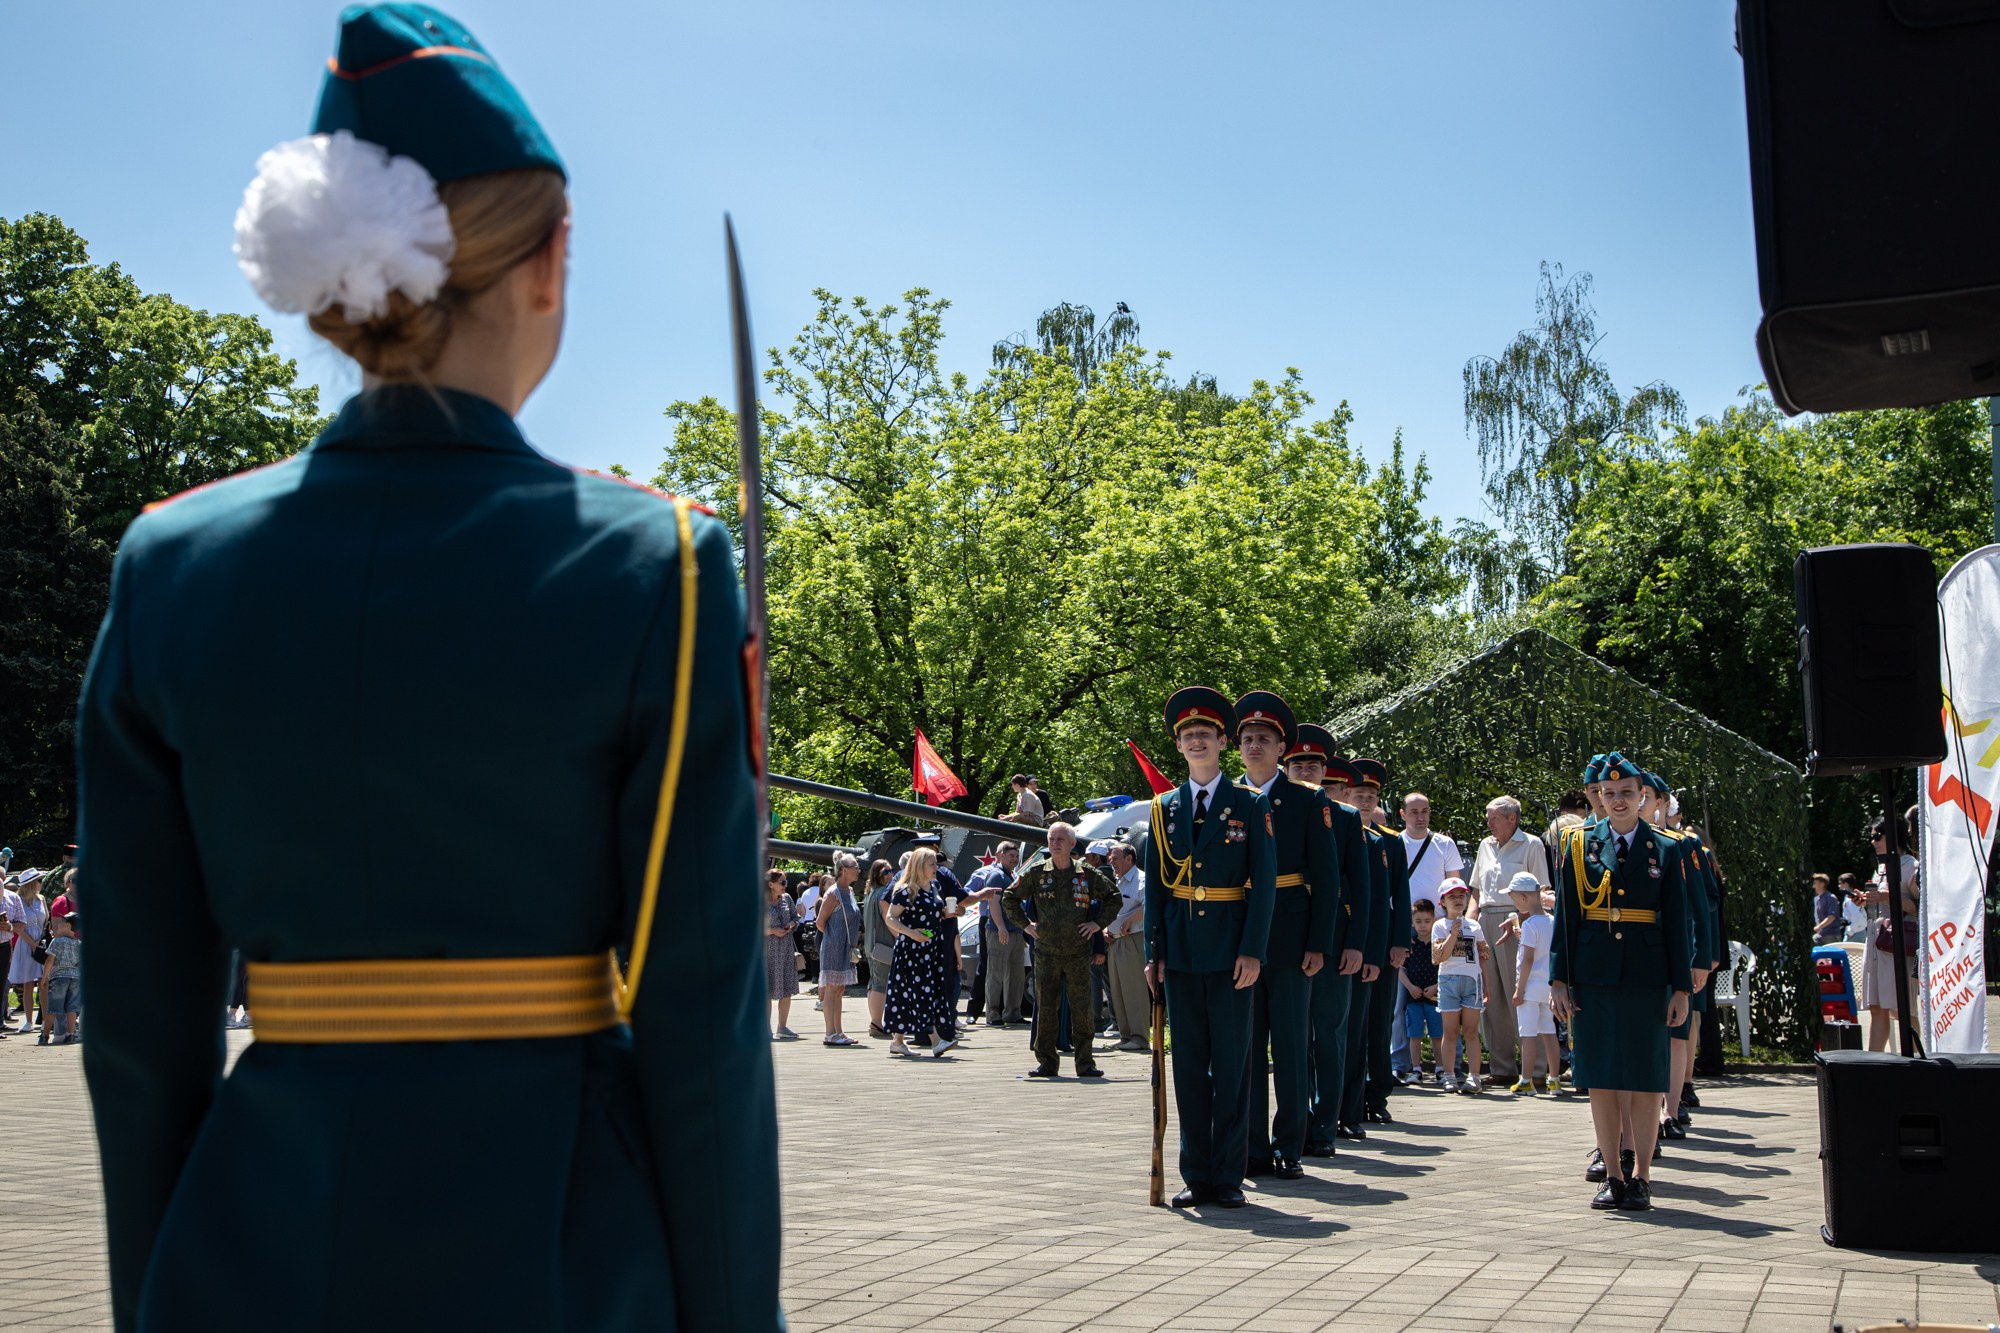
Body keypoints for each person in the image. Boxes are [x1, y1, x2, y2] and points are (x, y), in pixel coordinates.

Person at [75, 10, 781, 1328]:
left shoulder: (170, 566)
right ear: (551, 259)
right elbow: (704, 1023)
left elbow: (135, 1034)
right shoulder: (657, 567)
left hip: (251, 1251)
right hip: (561, 1257)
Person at [1142, 687, 1276, 1208]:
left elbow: (1262, 885)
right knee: (1188, 1066)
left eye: (1206, 734)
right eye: (1187, 735)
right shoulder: (1162, 809)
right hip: (1179, 953)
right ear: (1179, 747)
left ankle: (1228, 1175)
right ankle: (1196, 1174)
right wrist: (1155, 953)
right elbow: (1156, 888)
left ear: (1223, 742)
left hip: (1230, 952)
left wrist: (1253, 950)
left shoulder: (1250, 804)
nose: (1196, 741)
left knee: (1234, 1063)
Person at [1551, 754, 1692, 1213]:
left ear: (1643, 796)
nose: (1617, 800)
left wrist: (1681, 988)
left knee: (1648, 1079)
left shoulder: (1667, 849)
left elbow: (1677, 922)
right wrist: (1558, 979)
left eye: (1627, 793)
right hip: (1593, 977)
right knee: (1602, 1079)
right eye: (1608, 793)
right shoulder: (1576, 845)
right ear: (1598, 796)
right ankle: (1612, 1174)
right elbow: (1567, 920)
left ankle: (1643, 1177)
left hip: (1647, 979)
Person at [1232, 692, 1337, 1180]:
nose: (1255, 746)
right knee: (1245, 1047)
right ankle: (1251, 1146)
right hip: (1239, 938)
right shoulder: (1227, 797)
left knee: (1292, 1047)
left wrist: (1319, 942)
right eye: (1248, 739)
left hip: (1292, 936)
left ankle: (1289, 1145)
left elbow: (1327, 878)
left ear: (1281, 749)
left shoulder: (1306, 799)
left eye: (1264, 740)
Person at [1298, 742, 1369, 1158]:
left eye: (1313, 765)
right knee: (1292, 1039)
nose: (1305, 771)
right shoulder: (1269, 806)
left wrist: (1357, 944)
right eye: (1298, 764)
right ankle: (1297, 1119)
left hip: (1336, 939)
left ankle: (1324, 1124)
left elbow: (1361, 888)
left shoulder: (1343, 817)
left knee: (1328, 1033)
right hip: (1289, 936)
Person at [1005, 823, 1120, 1078]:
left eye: (1060, 839)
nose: (1055, 843)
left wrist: (1097, 924)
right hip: (1046, 951)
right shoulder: (1036, 873)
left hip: (1078, 951)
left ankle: (1085, 1063)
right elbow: (1009, 898)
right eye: (1051, 838)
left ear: (1071, 844)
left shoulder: (1086, 874)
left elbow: (1114, 896)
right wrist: (1026, 925)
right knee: (1046, 1007)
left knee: (1082, 1009)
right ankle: (1046, 1062)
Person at [1345, 759, 1411, 1129]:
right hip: (1349, 941)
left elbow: (1400, 895)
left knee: (1378, 1024)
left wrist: (1400, 941)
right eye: (1360, 794)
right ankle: (1349, 1098)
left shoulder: (1390, 841)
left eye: (1371, 796)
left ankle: (1377, 1095)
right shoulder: (1339, 831)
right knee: (1350, 1025)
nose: (1366, 801)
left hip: (1383, 944)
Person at [1469, 795, 1551, 1088]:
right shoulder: (1484, 845)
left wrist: (1525, 924)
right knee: (1492, 995)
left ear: (1512, 819)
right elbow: (1476, 891)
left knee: (1523, 992)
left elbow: (1541, 889)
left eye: (1494, 817)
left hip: (1518, 918)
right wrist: (1469, 925)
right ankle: (1501, 1066)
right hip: (1486, 920)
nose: (1488, 823)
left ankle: (1537, 1069)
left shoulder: (1531, 844)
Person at [883, 847, 958, 1058]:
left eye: (936, 863)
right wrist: (911, 933)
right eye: (932, 864)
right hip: (912, 952)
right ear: (919, 866)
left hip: (931, 950)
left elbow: (932, 912)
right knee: (921, 993)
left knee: (908, 995)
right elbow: (891, 918)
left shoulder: (934, 886)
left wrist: (945, 913)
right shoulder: (906, 891)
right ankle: (936, 1041)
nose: (936, 868)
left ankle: (897, 1041)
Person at [1860, 815, 1920, 1052]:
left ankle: (1919, 1059)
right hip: (1877, 940)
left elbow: (1919, 907)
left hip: (1897, 943)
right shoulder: (1882, 868)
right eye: (1871, 837)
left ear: (1893, 836)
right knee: (1877, 1006)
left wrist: (1887, 897)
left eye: (1877, 836)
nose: (1873, 841)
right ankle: (1872, 1064)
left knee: (1902, 1007)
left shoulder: (1910, 866)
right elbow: (1881, 902)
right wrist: (1864, 900)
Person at [1505, 872, 1561, 1094]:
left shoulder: (1529, 925)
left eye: (1514, 899)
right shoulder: (1553, 921)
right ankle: (1554, 1079)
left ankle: (1526, 1080)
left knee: (1527, 1033)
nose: (1515, 904)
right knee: (1549, 1033)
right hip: (1548, 988)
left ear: (1523, 897)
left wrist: (1519, 991)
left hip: (1529, 989)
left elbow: (1527, 959)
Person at [1431, 879, 1486, 1094]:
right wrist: (1453, 933)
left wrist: (1487, 985)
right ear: (1443, 901)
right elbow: (1438, 957)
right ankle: (1449, 1075)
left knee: (1472, 1031)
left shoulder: (1475, 926)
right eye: (1452, 896)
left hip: (1472, 981)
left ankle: (1474, 1077)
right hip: (1448, 981)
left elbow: (1483, 957)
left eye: (1461, 895)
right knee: (1450, 1031)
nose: (1457, 900)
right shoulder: (1439, 926)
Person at [967, 842, 1025, 1027]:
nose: (1014, 859)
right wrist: (1001, 927)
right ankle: (992, 1014)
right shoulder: (996, 875)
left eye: (1016, 856)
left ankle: (1013, 1013)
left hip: (1016, 931)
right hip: (999, 931)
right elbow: (994, 904)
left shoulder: (1013, 875)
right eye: (1011, 856)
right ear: (1001, 855)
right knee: (995, 973)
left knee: (1016, 974)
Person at [1102, 841, 1150, 1051]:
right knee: (1118, 991)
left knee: (1134, 990)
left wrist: (1129, 920)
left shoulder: (1140, 879)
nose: (1111, 862)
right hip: (1114, 941)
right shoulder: (1116, 880)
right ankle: (1125, 1035)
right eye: (1110, 858)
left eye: (1115, 858)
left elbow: (1149, 905)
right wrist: (1106, 929)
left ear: (1129, 858)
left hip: (1132, 940)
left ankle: (1139, 1037)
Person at [815, 854, 863, 1046]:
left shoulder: (849, 890)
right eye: (855, 866)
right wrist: (834, 937)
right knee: (831, 989)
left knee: (839, 989)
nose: (858, 869)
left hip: (847, 946)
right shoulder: (833, 893)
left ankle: (839, 1031)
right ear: (844, 870)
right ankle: (830, 1033)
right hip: (834, 946)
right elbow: (820, 922)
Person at [1399, 898, 1442, 1083]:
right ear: (1412, 922)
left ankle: (1441, 1068)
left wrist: (1436, 987)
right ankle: (1416, 1069)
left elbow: (1445, 969)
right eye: (1418, 921)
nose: (1423, 926)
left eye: (1427, 921)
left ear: (1433, 919)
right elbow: (1400, 968)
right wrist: (1409, 986)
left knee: (1437, 1035)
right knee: (1414, 1034)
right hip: (1413, 997)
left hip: (1435, 997)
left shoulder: (1438, 944)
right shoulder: (1410, 945)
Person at [861, 858, 898, 1038]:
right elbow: (889, 920)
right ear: (877, 874)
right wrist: (901, 935)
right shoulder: (884, 893)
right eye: (886, 872)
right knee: (879, 985)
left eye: (891, 871)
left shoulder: (870, 894)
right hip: (883, 946)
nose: (891, 874)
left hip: (872, 947)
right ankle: (876, 1023)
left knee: (873, 983)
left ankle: (876, 1021)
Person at [8, 868, 47, 1037]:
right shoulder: (20, 900)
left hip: (41, 942)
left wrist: (40, 940)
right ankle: (29, 1020)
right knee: (28, 983)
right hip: (25, 943)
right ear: (31, 884)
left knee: (44, 983)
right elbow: (17, 926)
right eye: (38, 880)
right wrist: (31, 942)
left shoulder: (41, 900)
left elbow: (46, 921)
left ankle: (45, 1019)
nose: (41, 883)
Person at [765, 871, 801, 1039]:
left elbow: (796, 917)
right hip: (768, 950)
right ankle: (766, 1028)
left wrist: (791, 925)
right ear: (770, 884)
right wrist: (772, 930)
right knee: (767, 990)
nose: (785, 885)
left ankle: (782, 1027)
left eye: (785, 882)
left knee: (786, 989)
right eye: (782, 882)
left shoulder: (787, 898)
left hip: (785, 949)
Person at [41, 912, 82, 1045]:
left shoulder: (56, 941)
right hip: (75, 978)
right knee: (72, 1008)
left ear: (68, 926)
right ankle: (70, 1034)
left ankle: (44, 1035)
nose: (57, 924)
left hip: (58, 977)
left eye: (61, 922)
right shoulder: (80, 944)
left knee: (53, 1008)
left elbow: (49, 960)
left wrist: (44, 977)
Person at [1812, 873, 1842, 945]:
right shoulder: (1819, 899)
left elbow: (1832, 916)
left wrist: (1819, 926)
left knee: (1830, 956)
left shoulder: (1830, 898)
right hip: (1823, 934)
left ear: (1822, 884)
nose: (1813, 886)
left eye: (1815, 883)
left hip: (1831, 935)